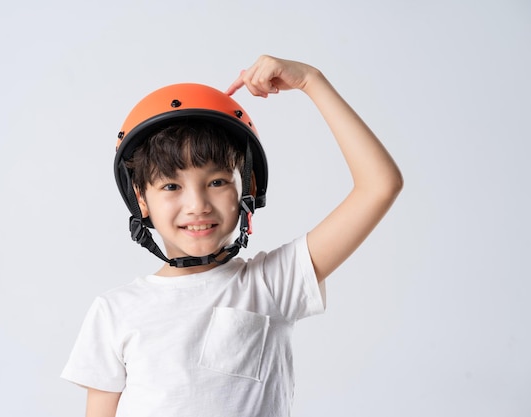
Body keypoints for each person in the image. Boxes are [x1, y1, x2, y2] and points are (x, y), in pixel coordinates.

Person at [61, 55, 403, 417]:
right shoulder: (114, 311)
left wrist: (311, 81)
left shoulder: (273, 283)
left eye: (217, 181)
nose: (197, 205)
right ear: (141, 199)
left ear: (248, 188)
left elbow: (380, 186)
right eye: (171, 185)